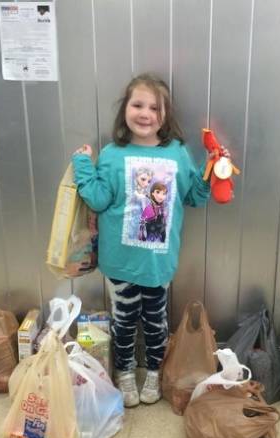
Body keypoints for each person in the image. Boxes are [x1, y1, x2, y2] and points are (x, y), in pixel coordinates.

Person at [72, 73, 228, 407]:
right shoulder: (113, 154)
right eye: (137, 104)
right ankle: (125, 372)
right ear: (125, 110)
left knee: (156, 322)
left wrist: (212, 169)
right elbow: (98, 200)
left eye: (154, 108)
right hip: (119, 262)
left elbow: (196, 198)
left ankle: (155, 372)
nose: (145, 113)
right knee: (124, 321)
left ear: (165, 115)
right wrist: (83, 164)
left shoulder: (177, 154)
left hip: (157, 263)